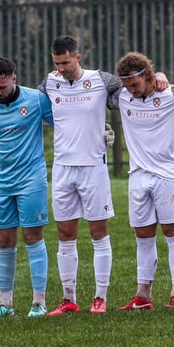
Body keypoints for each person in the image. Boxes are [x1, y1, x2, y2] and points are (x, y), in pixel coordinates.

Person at [110, 52, 174, 310]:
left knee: (172, 233)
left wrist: (168, 82)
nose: (131, 90)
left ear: (148, 76)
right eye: (126, 85)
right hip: (137, 176)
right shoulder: (122, 96)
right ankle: (143, 296)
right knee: (143, 236)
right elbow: (93, 92)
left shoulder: (170, 95)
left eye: (135, 84)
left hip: (168, 175)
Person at [39, 35, 117, 316]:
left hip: (93, 167)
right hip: (62, 168)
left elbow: (136, 93)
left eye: (66, 63)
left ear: (78, 57)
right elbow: (26, 101)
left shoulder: (102, 80)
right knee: (65, 233)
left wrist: (158, 77)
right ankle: (68, 298)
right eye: (57, 64)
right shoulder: (49, 83)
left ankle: (100, 297)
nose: (62, 69)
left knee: (98, 232)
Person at [0, 56, 53, 319]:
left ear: (14, 79)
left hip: (31, 180)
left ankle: (38, 303)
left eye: (2, 88)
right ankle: (5, 306)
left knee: (32, 237)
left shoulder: (35, 100)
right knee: (4, 240)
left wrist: (99, 132)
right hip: (0, 183)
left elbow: (64, 123)